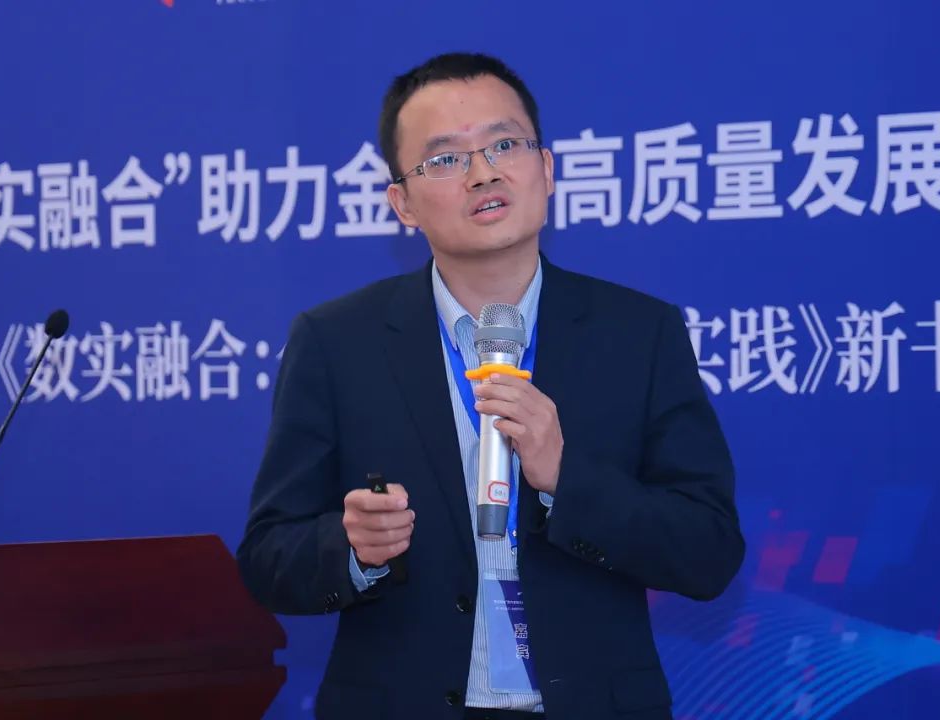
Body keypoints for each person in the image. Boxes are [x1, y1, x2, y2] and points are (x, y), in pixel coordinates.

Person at [236, 52, 744, 720]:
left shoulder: (639, 333)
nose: (484, 173)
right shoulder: (336, 343)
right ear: (403, 203)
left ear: (547, 169)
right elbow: (268, 557)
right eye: (446, 158)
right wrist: (351, 546)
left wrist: (565, 477)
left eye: (505, 145)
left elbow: (708, 552)